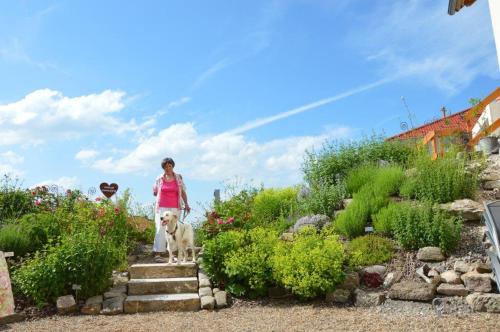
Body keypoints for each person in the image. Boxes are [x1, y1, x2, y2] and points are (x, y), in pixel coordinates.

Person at [152, 157, 191, 263]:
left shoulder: (178, 177)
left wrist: (186, 204)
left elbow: (182, 192)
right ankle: (158, 254)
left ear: (173, 166)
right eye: (165, 166)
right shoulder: (159, 178)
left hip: (175, 207)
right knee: (160, 228)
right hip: (161, 207)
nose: (168, 168)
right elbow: (154, 192)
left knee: (174, 230)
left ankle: (172, 255)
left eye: (170, 166)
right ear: (163, 167)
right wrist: (159, 192)